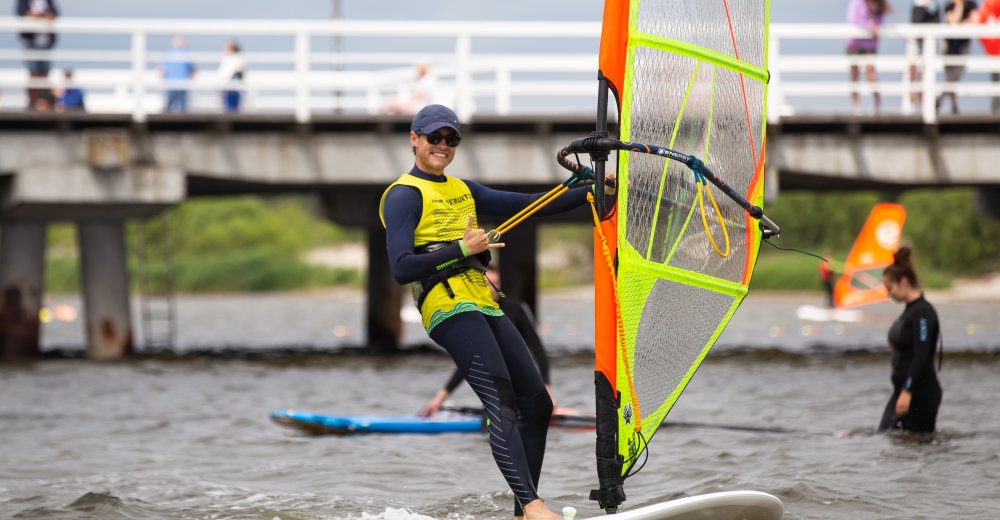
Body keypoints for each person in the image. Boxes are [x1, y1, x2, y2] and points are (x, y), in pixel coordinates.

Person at [380, 104, 603, 520]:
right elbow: (400, 268)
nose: (442, 146)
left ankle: (522, 512)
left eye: (451, 139)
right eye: (434, 137)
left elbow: (533, 204)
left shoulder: (465, 190)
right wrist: (463, 249)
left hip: (484, 301)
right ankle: (535, 508)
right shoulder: (403, 195)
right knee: (500, 403)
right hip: (446, 307)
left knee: (537, 404)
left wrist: (593, 191)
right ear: (414, 138)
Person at [420, 265, 555, 418]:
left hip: (519, 379)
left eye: (496, 283)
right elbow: (469, 362)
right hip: (497, 386)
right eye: (486, 283)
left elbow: (538, 349)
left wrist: (547, 388)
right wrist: (440, 398)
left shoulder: (516, 309)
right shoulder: (473, 315)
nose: (492, 288)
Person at [878, 246, 942, 434]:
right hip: (902, 392)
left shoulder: (922, 313)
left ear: (903, 282)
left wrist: (908, 391)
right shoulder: (909, 311)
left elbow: (921, 356)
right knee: (886, 438)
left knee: (915, 446)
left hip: (918, 394)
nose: (888, 294)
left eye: (890, 288)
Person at [846, 0, 891, 114]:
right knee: (854, 77)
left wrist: (873, 26)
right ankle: (856, 109)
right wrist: (870, 26)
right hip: (855, 44)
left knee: (871, 75)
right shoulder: (857, 3)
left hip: (870, 46)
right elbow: (853, 20)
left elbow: (880, 24)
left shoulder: (879, 4)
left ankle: (876, 106)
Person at [16, 0, 59, 110]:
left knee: (45, 74)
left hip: (46, 44)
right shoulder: (23, 1)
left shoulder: (48, 1)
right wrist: (41, 15)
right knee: (33, 73)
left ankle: (45, 102)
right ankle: (32, 102)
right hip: (31, 43)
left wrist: (38, 15)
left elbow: (55, 13)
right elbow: (23, 14)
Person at [939, 0, 980, 114]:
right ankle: (954, 106)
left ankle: (940, 98)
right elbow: (953, 23)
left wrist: (960, 22)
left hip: (963, 45)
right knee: (950, 75)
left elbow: (975, 21)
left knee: (955, 75)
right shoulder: (949, 5)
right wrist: (959, 6)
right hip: (949, 45)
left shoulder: (972, 5)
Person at [908, 1, 941, 110]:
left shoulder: (934, 6)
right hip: (916, 42)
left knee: (925, 74)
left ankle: (923, 105)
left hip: (928, 45)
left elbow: (937, 22)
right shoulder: (917, 5)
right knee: (913, 70)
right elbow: (916, 21)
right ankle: (912, 99)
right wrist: (924, 8)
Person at [159, 36, 195, 113]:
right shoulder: (186, 55)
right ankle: (184, 120)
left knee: (169, 103)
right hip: (182, 83)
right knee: (183, 105)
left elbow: (161, 69)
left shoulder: (169, 54)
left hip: (170, 83)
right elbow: (192, 70)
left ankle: (166, 117)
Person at [217, 40, 244, 113]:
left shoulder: (236, 59)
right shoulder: (227, 59)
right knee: (227, 108)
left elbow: (237, 73)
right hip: (227, 86)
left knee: (232, 108)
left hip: (232, 87)